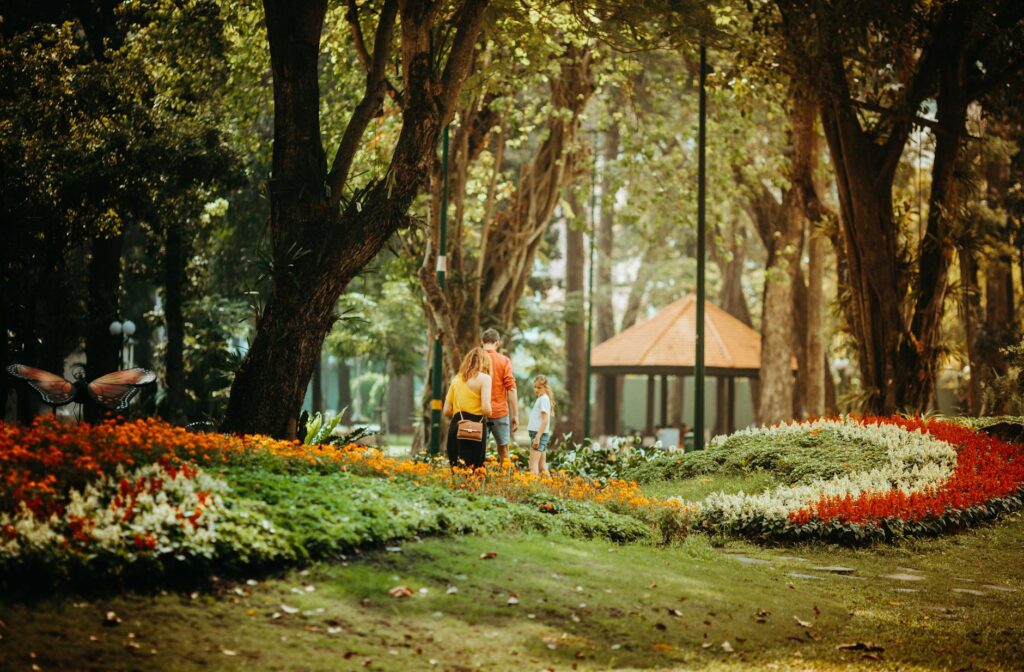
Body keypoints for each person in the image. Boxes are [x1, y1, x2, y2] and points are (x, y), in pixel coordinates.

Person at [442, 348, 493, 469]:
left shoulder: (456, 379)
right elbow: (486, 409)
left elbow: (446, 411)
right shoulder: (485, 379)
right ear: (484, 362)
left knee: (458, 468)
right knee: (474, 471)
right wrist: (491, 412)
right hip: (476, 429)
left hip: (457, 426)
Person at [480, 328, 518, 463]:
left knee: (478, 449)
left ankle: (477, 479)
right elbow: (511, 389)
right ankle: (504, 481)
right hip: (500, 412)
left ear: (481, 342)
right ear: (497, 342)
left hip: (478, 412)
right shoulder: (504, 360)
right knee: (503, 450)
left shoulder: (475, 359)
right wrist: (516, 415)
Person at [527, 375, 554, 476]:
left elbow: (545, 420)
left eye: (539, 387)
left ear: (545, 387)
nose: (536, 390)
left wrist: (537, 437)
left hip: (538, 434)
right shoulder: (542, 399)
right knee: (542, 466)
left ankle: (533, 490)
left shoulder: (543, 399)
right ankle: (551, 487)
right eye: (535, 387)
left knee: (533, 465)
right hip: (539, 434)